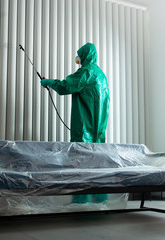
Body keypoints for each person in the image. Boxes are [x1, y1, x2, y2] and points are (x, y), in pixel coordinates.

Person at [41, 42, 110, 203]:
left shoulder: (85, 73)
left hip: (84, 129)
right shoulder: (101, 75)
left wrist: (49, 82)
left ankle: (81, 201)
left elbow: (66, 86)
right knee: (98, 166)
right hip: (99, 131)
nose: (78, 60)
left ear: (85, 56)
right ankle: (100, 200)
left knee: (81, 166)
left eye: (79, 57)